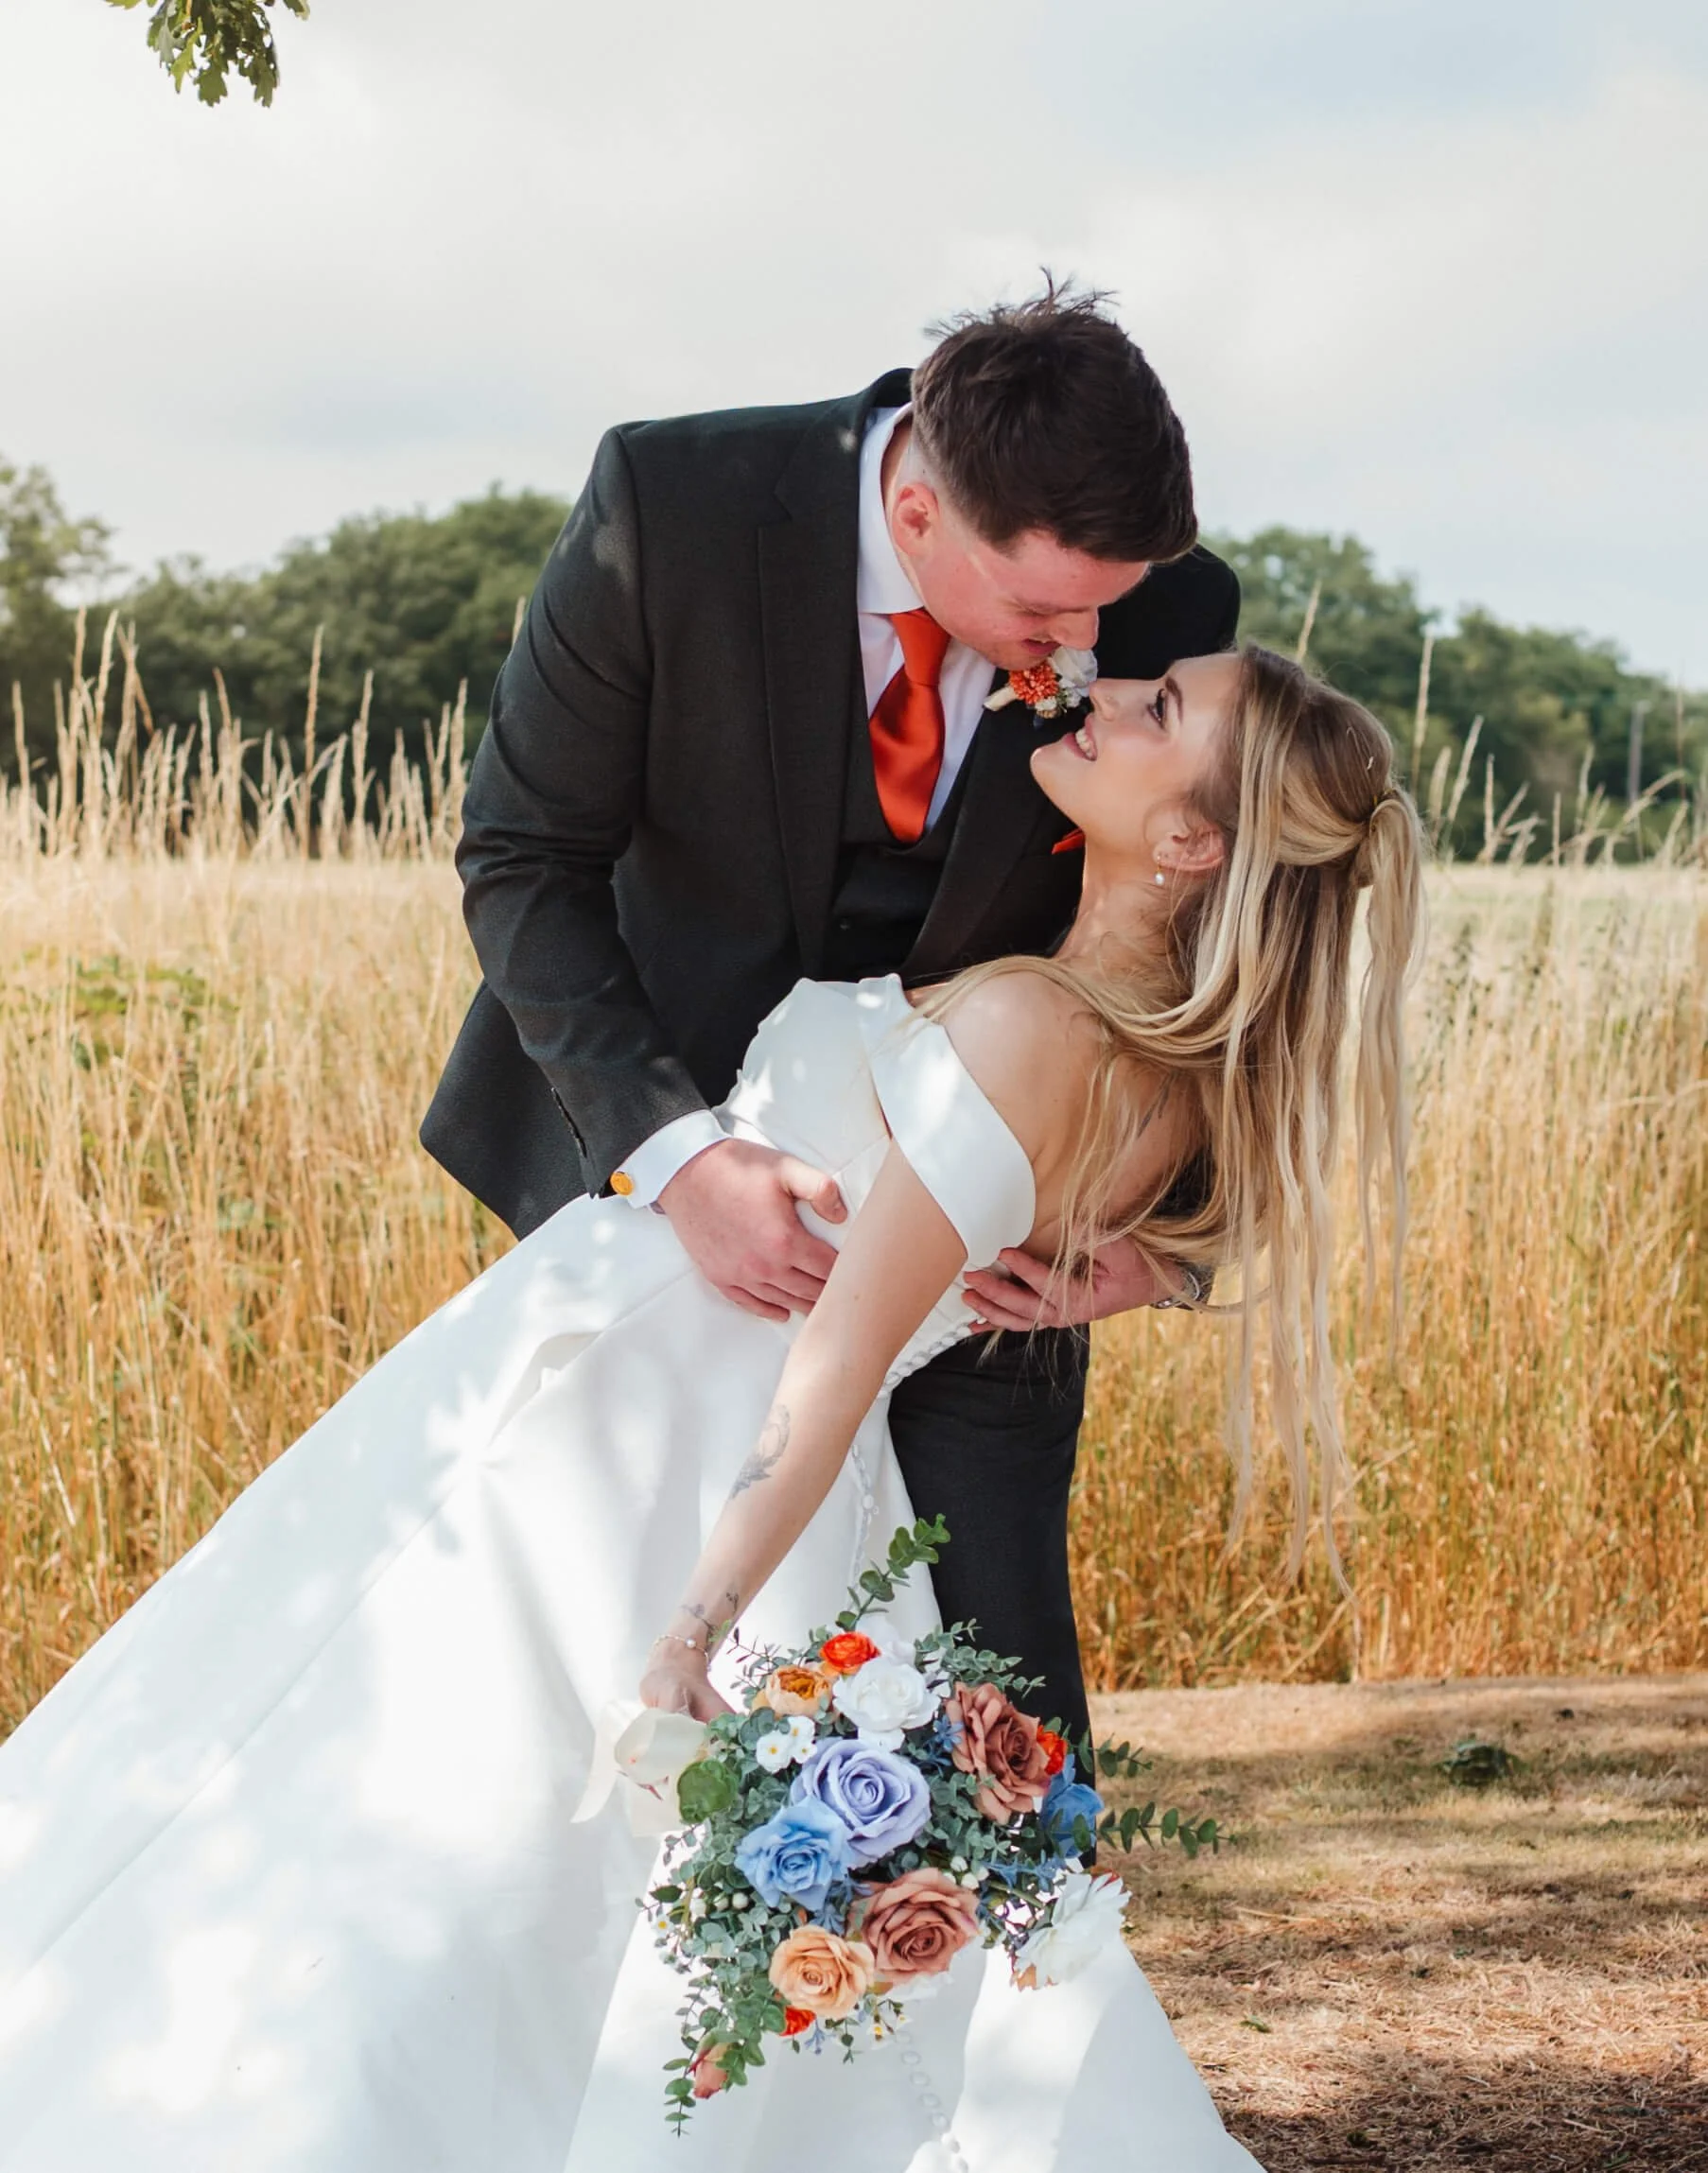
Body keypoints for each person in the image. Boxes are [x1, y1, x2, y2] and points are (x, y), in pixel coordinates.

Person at [0, 644, 1423, 2170]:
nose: (1106, 696)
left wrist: (691, 1627)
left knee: (411, 1808)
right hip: (637, 1401)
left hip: (649, 1451)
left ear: (1191, 839)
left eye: (1158, 711)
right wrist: (1158, 1266)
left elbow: (832, 1364)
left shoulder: (1031, 1023)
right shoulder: (1160, 1075)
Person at [421, 282, 1240, 1753]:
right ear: (916, 512)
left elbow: (1226, 941)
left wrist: (1175, 1241)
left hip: (982, 1252)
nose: (1084, 643)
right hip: (651, 1210)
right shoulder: (669, 504)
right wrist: (677, 1160)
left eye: (1102, 608)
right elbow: (522, 857)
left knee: (1001, 1721)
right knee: (588, 1659)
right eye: (1043, 612)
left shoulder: (1161, 606)